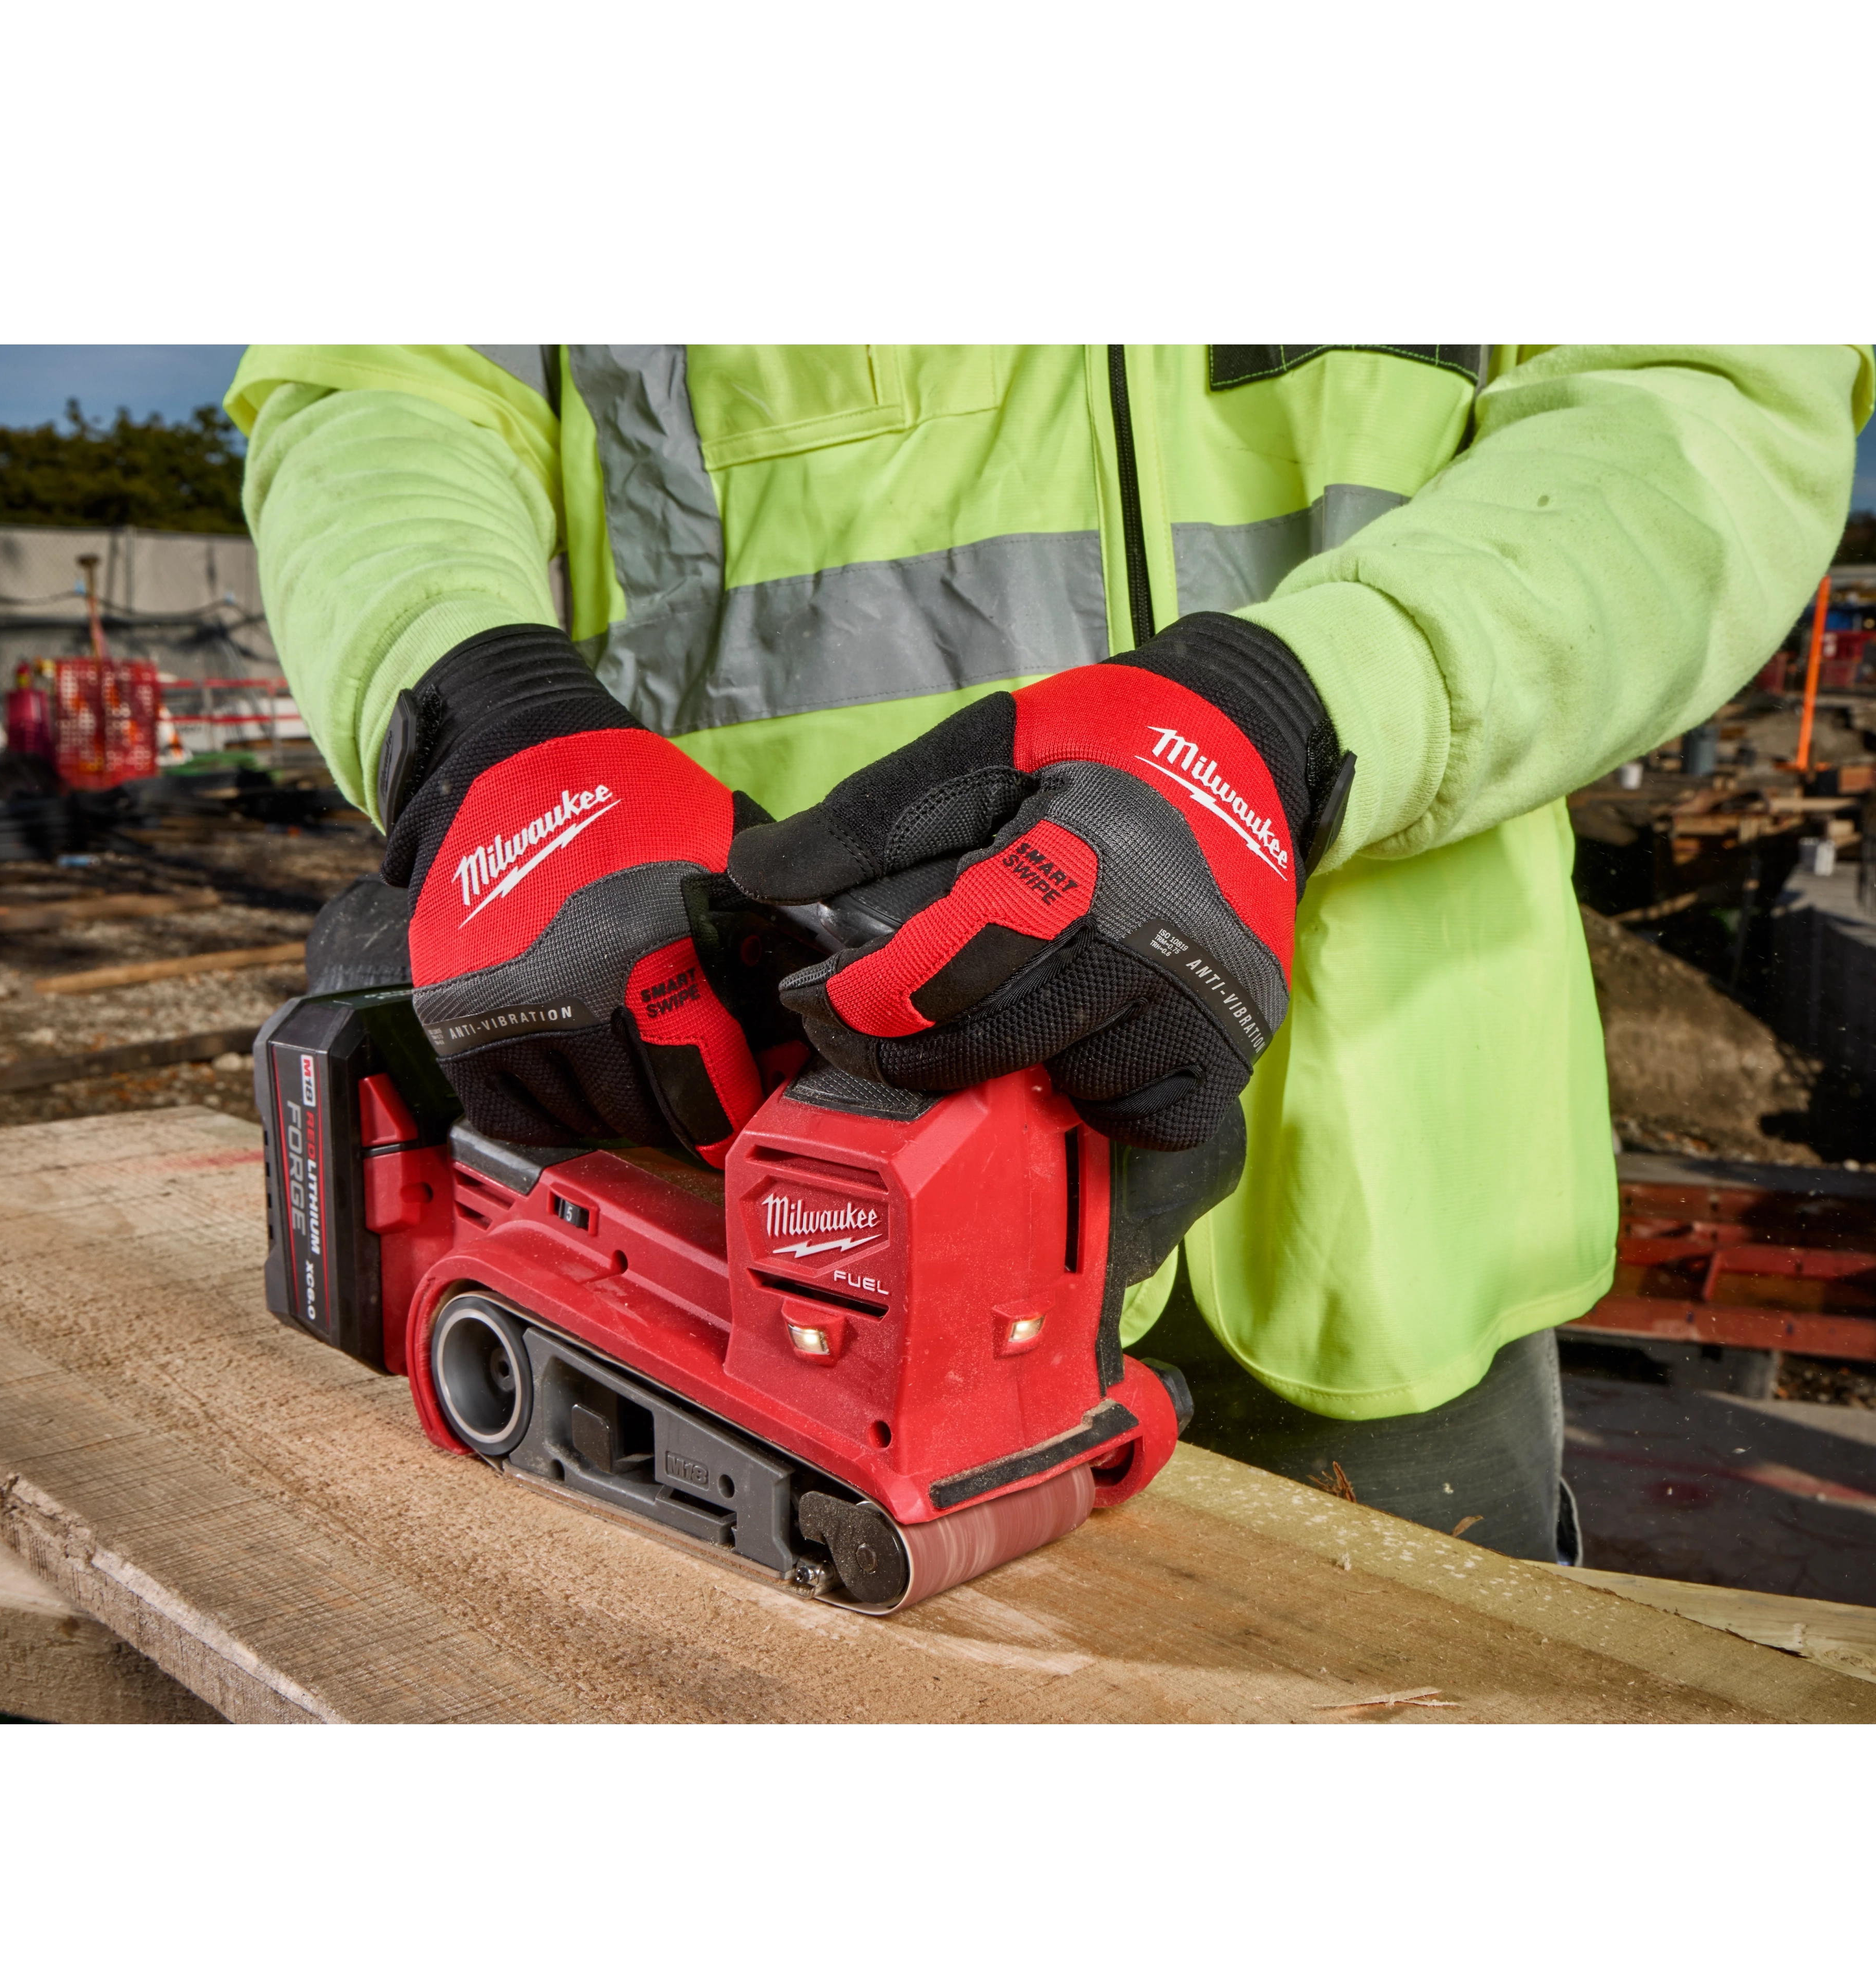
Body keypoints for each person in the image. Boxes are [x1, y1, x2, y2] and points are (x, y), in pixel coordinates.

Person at [230, 342, 1870, 1562]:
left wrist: (1308, 711)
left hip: (1384, 1276)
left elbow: (1697, 396)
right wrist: (484, 711)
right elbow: (382, 391)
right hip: (775, 1213)